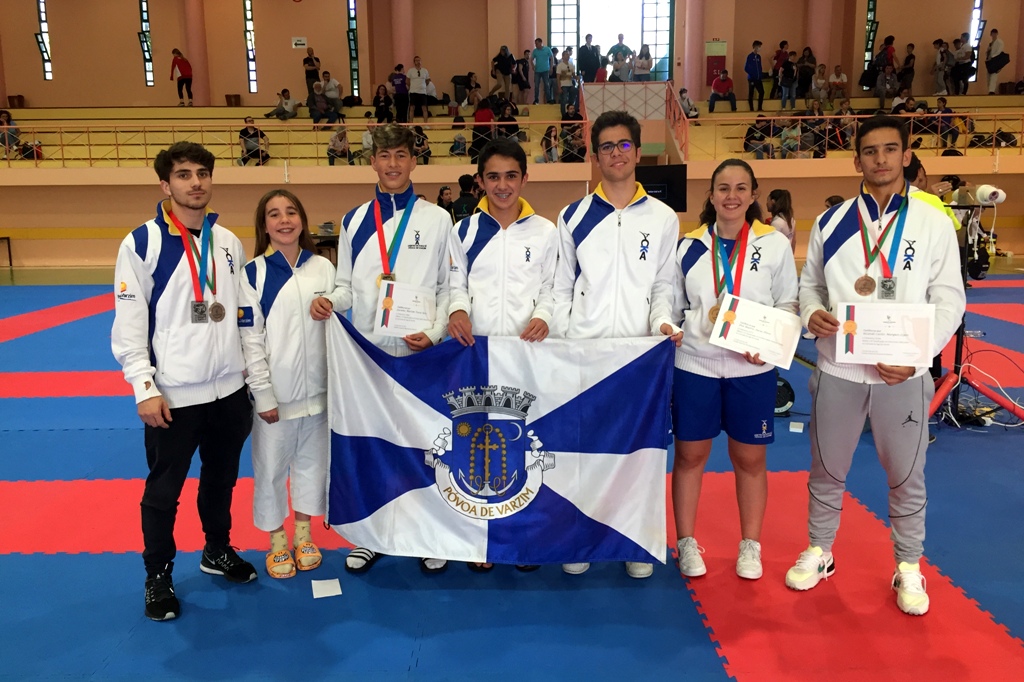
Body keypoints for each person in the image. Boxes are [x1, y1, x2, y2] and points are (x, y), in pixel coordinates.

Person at [787, 116, 966, 616]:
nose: (881, 159)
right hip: (839, 368)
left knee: (907, 474)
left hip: (901, 373)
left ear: (906, 155)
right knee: (825, 469)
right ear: (857, 159)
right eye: (870, 151)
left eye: (891, 149)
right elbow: (810, 286)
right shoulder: (832, 221)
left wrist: (917, 354)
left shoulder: (933, 222)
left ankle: (908, 565)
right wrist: (810, 313)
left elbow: (950, 299)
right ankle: (820, 551)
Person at [112, 142, 258, 622]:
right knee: (163, 492)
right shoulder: (143, 243)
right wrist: (144, 387)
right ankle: (158, 575)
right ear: (165, 184)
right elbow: (130, 325)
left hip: (229, 392)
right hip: (173, 396)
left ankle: (216, 550)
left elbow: (243, 316)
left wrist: (251, 380)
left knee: (221, 480)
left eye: (202, 173)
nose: (195, 182)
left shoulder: (230, 243)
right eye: (183, 175)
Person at [309, 124, 453, 576]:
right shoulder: (354, 220)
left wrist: (433, 331)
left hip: (421, 351)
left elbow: (451, 287)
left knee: (423, 443)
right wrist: (331, 300)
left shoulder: (437, 219)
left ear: (414, 161)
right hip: (369, 354)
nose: (392, 164)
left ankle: (427, 531)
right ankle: (371, 535)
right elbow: (348, 284)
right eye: (384, 155)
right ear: (371, 160)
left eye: (401, 155)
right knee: (373, 445)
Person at [552, 110, 683, 580]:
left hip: (638, 357)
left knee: (637, 455)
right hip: (584, 352)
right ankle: (579, 537)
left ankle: (634, 542)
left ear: (638, 150)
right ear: (594, 155)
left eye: (623, 145)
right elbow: (562, 288)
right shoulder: (574, 216)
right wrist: (557, 335)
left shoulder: (664, 218)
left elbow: (664, 286)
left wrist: (663, 323)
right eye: (606, 146)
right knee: (582, 452)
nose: (615, 154)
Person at [672, 159, 798, 582]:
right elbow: (672, 308)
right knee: (690, 455)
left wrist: (770, 344)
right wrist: (671, 329)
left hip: (751, 370)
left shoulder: (775, 244)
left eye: (741, 187)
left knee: (750, 458)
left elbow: (787, 306)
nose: (732, 195)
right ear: (710, 195)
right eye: (723, 187)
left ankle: (750, 545)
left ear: (754, 193)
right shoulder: (688, 246)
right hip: (695, 364)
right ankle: (686, 542)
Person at [447, 139, 557, 567]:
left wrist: (545, 315)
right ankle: (480, 541)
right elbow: (456, 283)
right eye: (493, 176)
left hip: (527, 355)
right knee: (477, 448)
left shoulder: (546, 232)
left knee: (523, 447)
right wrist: (457, 310)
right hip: (477, 355)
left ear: (525, 178)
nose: (503, 184)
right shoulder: (464, 231)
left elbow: (552, 288)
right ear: (480, 182)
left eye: (511, 175)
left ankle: (522, 539)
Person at [239, 189, 336, 580]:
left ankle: (303, 533)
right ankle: (277, 540)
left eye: (291, 212)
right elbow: (250, 340)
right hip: (275, 398)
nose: (284, 220)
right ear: (264, 225)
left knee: (314, 468)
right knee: (271, 470)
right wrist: (262, 393)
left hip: (320, 395)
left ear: (302, 220)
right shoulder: (253, 273)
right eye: (274, 214)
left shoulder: (324, 270)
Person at [531, 38, 554, 104]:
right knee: (536, 86)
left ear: (541, 43)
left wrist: (551, 67)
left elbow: (551, 58)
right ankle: (536, 100)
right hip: (537, 71)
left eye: (537, 43)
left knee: (547, 85)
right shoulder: (535, 51)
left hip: (545, 70)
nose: (536, 45)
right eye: (535, 44)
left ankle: (548, 99)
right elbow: (531, 59)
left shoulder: (547, 49)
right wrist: (533, 65)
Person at [408, 56, 431, 122]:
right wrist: (412, 86)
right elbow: (407, 81)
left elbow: (427, 80)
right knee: (412, 108)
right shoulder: (411, 71)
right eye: (416, 60)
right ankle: (411, 124)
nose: (418, 62)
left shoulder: (425, 70)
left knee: (424, 108)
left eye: (419, 60)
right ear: (414, 62)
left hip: (422, 92)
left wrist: (423, 86)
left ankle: (426, 124)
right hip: (413, 92)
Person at [556, 49, 578, 117]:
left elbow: (573, 75)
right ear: (562, 56)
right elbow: (558, 77)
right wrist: (559, 87)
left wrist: (577, 78)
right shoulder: (560, 65)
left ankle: (571, 111)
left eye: (568, 55)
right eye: (566, 55)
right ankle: (563, 115)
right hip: (563, 85)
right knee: (564, 100)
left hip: (570, 84)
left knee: (574, 95)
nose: (567, 56)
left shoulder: (572, 65)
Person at [744, 41, 765, 112]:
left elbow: (760, 67)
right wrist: (752, 74)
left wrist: (760, 75)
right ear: (755, 47)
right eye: (759, 46)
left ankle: (760, 107)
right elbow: (746, 68)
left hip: (758, 78)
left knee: (762, 92)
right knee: (751, 93)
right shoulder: (750, 56)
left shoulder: (759, 57)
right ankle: (751, 108)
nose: (760, 48)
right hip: (752, 78)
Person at [984, 29, 1006, 94]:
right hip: (990, 61)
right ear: (991, 34)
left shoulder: (999, 42)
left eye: (995, 33)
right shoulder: (991, 43)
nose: (993, 35)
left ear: (997, 34)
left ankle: (991, 91)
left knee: (994, 75)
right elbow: (987, 52)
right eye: (992, 33)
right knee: (989, 76)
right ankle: (989, 90)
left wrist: (993, 57)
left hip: (995, 61)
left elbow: (999, 51)